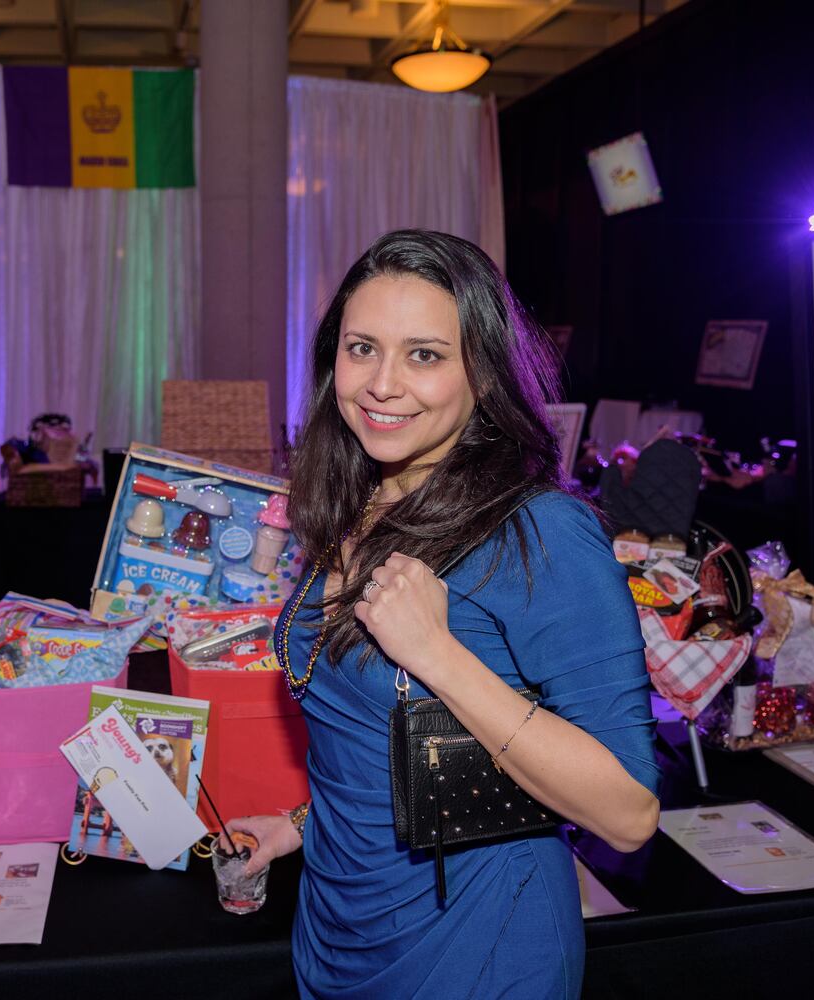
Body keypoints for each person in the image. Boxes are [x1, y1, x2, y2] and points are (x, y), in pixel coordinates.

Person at [227, 231, 659, 998]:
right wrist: (301, 825)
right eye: (363, 348)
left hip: (479, 942)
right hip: (338, 921)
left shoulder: (541, 532)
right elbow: (373, 729)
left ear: (484, 377)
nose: (383, 383)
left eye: (424, 354)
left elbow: (628, 813)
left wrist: (439, 654)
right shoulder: (357, 500)